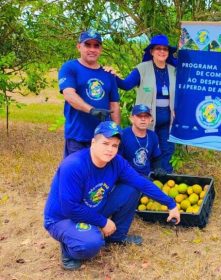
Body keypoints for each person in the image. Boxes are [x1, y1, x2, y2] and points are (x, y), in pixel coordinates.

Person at [43, 121, 180, 270]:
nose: (110, 149)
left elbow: (141, 182)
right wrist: (103, 222)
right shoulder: (74, 165)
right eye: (105, 143)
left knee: (132, 188)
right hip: (62, 218)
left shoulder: (116, 162)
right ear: (93, 142)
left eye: (114, 145)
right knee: (92, 243)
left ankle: (116, 237)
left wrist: (170, 203)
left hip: (92, 208)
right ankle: (68, 251)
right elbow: (70, 208)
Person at [109, 34, 177, 173]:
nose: (162, 51)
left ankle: (165, 180)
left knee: (167, 150)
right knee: (148, 149)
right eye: (158, 48)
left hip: (168, 120)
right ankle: (148, 180)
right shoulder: (142, 69)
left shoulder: (173, 70)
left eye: (165, 49)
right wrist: (113, 76)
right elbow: (126, 85)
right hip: (147, 118)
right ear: (151, 51)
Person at [58, 29, 121, 157]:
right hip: (78, 136)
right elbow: (69, 95)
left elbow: (114, 105)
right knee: (76, 174)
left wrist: (116, 132)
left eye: (96, 45)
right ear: (79, 46)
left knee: (101, 175)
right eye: (88, 45)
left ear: (101, 49)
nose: (92, 49)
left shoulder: (108, 74)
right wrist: (92, 110)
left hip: (103, 138)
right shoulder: (70, 67)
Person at [120, 104, 166, 177]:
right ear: (132, 118)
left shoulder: (153, 136)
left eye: (146, 116)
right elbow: (117, 162)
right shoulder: (123, 135)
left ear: (150, 119)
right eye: (139, 116)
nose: (143, 119)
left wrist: (158, 168)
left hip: (147, 176)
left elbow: (156, 158)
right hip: (127, 177)